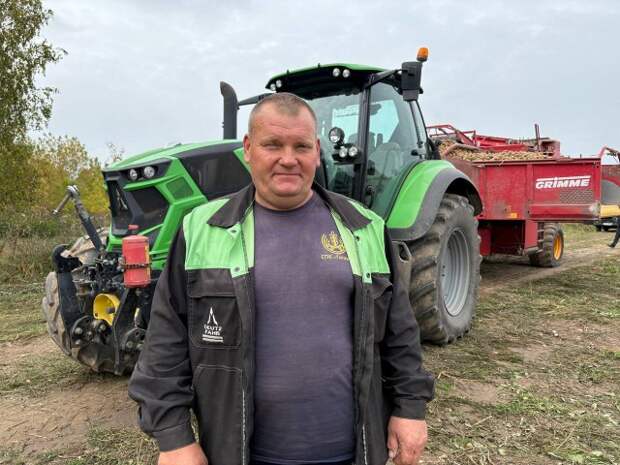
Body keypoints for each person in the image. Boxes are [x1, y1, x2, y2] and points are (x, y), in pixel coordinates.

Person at [128, 92, 435, 465]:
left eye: (301, 146)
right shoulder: (202, 230)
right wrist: (174, 438)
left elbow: (400, 332)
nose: (288, 159)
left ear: (316, 150)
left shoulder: (365, 227)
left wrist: (410, 408)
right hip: (240, 454)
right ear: (248, 149)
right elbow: (166, 341)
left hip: (351, 453)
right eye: (273, 144)